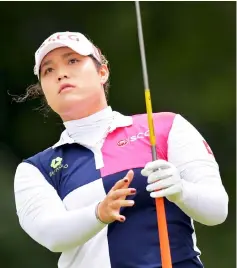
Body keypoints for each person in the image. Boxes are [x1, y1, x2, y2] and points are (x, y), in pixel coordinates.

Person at [14, 31, 229, 268]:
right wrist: (99, 213)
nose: (61, 73)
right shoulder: (36, 169)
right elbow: (52, 235)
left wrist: (181, 192)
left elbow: (217, 211)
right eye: (48, 70)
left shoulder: (166, 126)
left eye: (73, 60)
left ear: (102, 72)